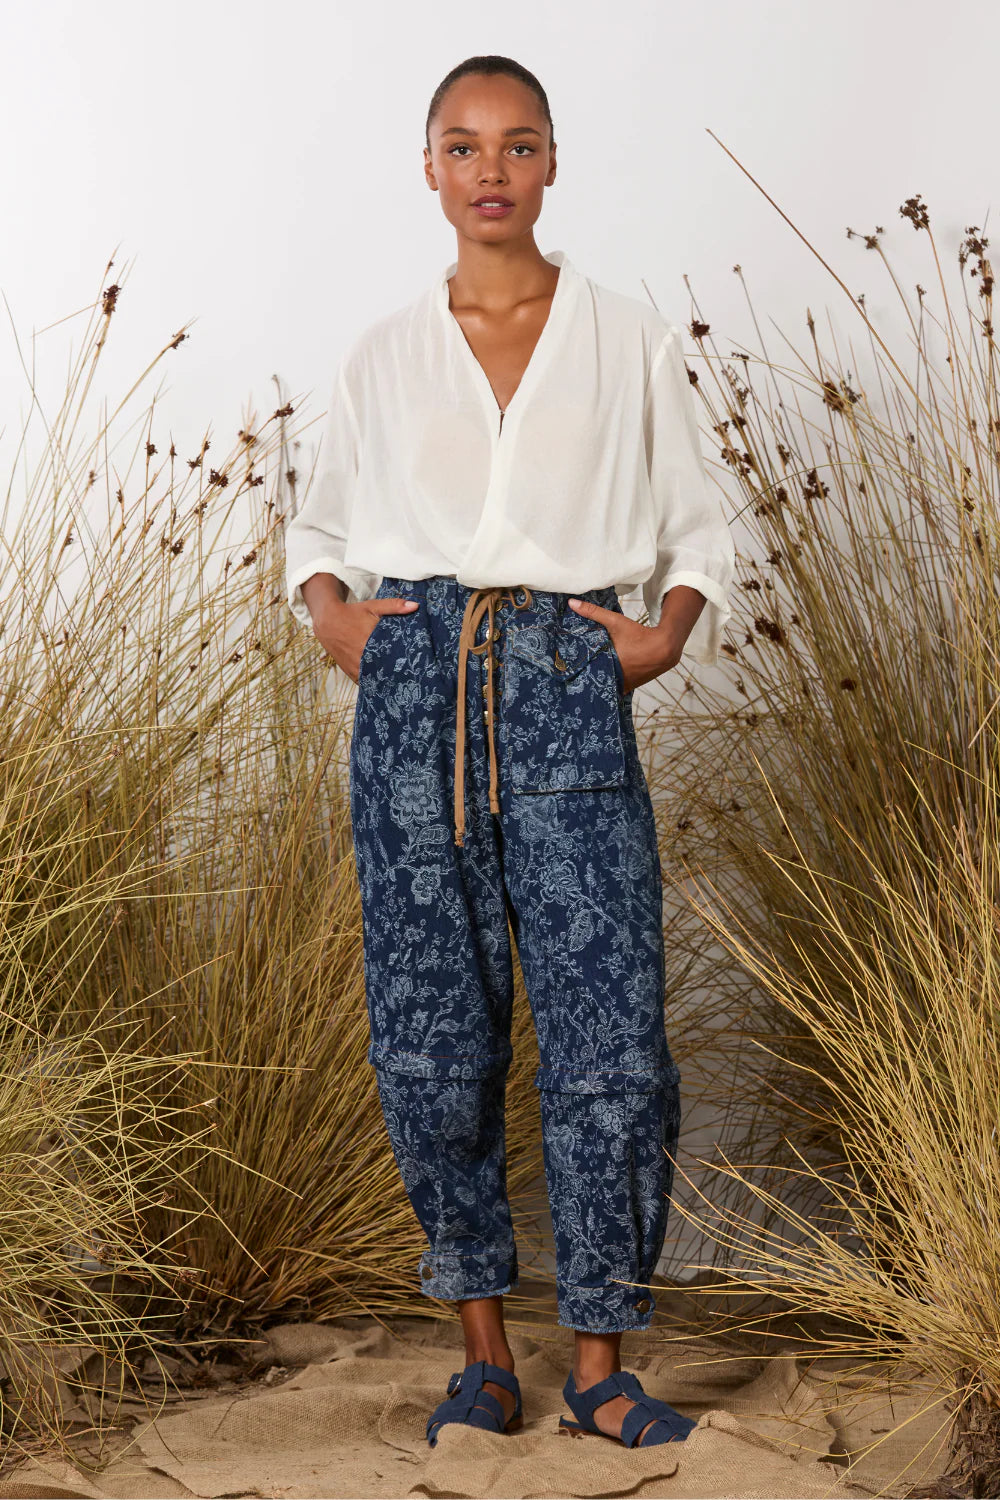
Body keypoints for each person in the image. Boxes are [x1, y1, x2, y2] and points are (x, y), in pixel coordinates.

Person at [284, 54, 735, 1451]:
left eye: (519, 143)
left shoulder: (625, 336)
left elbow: (698, 524)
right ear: (428, 168)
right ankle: (481, 1352)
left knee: (609, 1039)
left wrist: (661, 636)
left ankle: (599, 1365)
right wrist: (339, 619)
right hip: (415, 694)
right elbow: (318, 530)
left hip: (562, 673)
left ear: (552, 163)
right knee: (432, 1037)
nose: (492, 169)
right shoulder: (382, 350)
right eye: (465, 145)